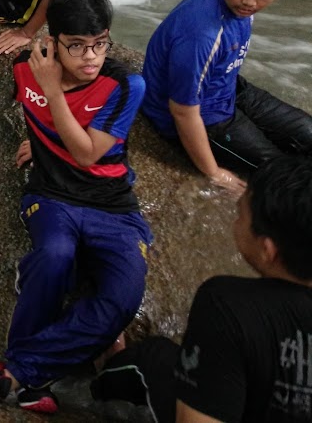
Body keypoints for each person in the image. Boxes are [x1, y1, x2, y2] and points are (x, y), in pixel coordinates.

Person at [0, 0, 151, 414]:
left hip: (113, 206)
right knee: (54, 256)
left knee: (124, 297)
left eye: (100, 43)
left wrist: (53, 98)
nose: (91, 57)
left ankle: (15, 375)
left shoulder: (125, 84)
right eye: (77, 46)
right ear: (54, 42)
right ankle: (28, 381)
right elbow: (10, 109)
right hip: (51, 196)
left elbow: (86, 152)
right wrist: (36, 139)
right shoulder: (25, 66)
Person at [91, 154, 312, 423]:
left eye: (241, 214)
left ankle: (103, 375)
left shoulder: (228, 305)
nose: (236, 219)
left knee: (149, 358)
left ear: (268, 251)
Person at [141, 0, 312, 197]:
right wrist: (213, 172)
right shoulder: (202, 35)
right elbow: (183, 112)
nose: (250, 3)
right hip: (204, 115)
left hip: (228, 86)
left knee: (307, 132)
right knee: (284, 176)